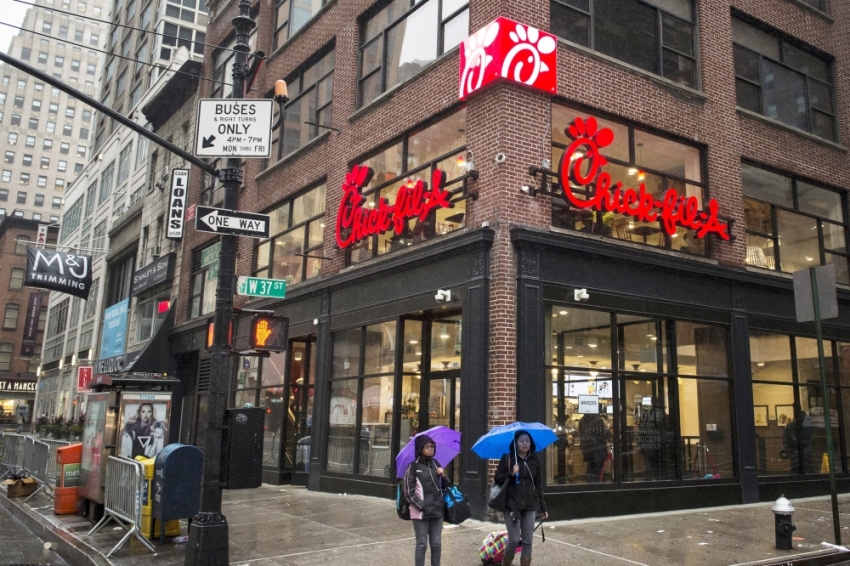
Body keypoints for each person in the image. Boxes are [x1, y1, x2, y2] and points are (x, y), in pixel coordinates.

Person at [494, 431, 548, 566]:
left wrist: (543, 508)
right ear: (516, 443)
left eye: (527, 441)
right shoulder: (508, 458)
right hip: (511, 504)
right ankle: (506, 563)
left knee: (528, 540)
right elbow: (497, 478)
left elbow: (539, 485)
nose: (525, 443)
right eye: (521, 441)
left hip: (529, 505)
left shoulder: (534, 459)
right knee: (513, 539)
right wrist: (511, 473)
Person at [403, 434, 447, 566]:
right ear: (420, 448)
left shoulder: (436, 464)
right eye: (427, 446)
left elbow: (447, 486)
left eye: (432, 446)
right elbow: (407, 491)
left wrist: (443, 475)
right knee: (421, 545)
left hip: (437, 511)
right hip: (421, 512)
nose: (431, 449)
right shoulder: (413, 467)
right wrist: (422, 506)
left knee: (436, 544)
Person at [579, 411, 608, 482]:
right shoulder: (598, 420)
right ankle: (598, 489)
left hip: (586, 449)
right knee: (599, 471)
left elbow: (581, 434)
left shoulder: (582, 420)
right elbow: (602, 435)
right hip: (598, 449)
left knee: (590, 468)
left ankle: (590, 486)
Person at [783, 410, 814, 474]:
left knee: (796, 471)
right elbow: (811, 438)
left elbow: (786, 439)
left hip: (795, 452)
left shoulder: (790, 426)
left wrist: (788, 449)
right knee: (807, 470)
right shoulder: (808, 427)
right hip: (805, 452)